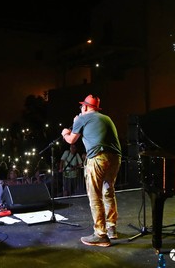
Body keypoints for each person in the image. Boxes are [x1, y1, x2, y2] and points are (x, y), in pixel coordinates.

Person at [61, 94, 122, 247]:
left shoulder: (82, 118)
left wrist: (65, 132)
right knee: (108, 191)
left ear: (87, 107)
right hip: (115, 158)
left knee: (95, 195)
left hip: (98, 158)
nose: (81, 108)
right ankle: (111, 228)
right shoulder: (106, 118)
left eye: (82, 106)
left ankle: (100, 234)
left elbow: (71, 140)